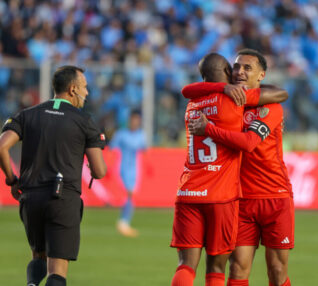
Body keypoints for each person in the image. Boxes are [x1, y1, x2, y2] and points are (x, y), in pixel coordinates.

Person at [171, 52, 288, 286]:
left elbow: (187, 89)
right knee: (229, 268)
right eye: (235, 67)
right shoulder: (236, 100)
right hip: (231, 196)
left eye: (247, 68)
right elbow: (280, 93)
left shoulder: (195, 103)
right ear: (226, 73)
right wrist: (224, 91)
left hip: (267, 195)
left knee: (276, 270)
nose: (239, 72)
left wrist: (209, 125)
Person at [0, 65, 107, 286]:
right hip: (62, 199)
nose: (87, 92)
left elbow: (0, 148)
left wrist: (12, 179)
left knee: (38, 256)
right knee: (57, 269)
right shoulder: (84, 121)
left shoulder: (27, 114)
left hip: (31, 198)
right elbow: (100, 171)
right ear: (73, 89)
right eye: (84, 87)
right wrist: (92, 168)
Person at [109, 109, 147, 237]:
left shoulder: (141, 135)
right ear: (129, 120)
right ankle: (123, 222)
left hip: (134, 170)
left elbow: (144, 150)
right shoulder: (121, 134)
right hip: (122, 168)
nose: (135, 122)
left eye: (137, 120)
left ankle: (124, 222)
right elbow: (112, 150)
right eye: (133, 119)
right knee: (128, 194)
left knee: (130, 196)